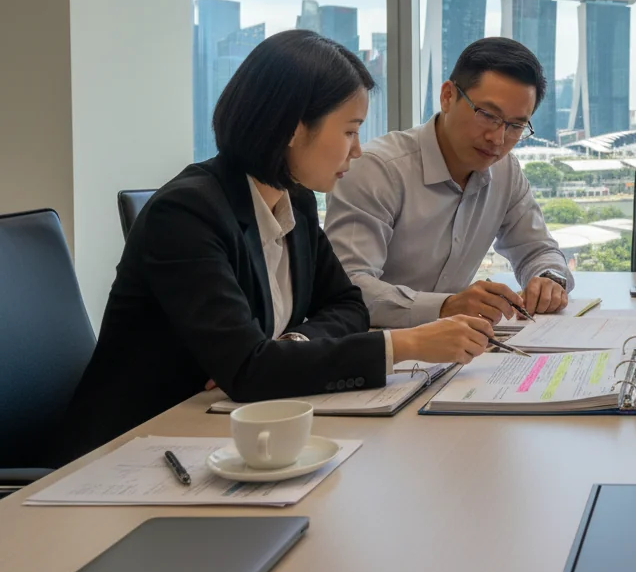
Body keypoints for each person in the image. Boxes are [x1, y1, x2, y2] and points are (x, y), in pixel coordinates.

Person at [61, 30, 496, 462]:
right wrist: (406, 345)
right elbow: (250, 371)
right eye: (349, 131)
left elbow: (348, 305)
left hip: (223, 435)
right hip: (133, 450)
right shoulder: (186, 214)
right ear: (292, 128)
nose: (358, 151)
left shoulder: (294, 198)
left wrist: (293, 344)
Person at [325, 37, 571, 328]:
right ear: (447, 96)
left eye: (516, 125)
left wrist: (548, 278)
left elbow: (538, 249)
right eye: (488, 115)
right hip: (377, 354)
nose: (498, 138)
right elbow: (349, 287)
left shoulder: (505, 171)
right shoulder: (377, 170)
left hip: (454, 351)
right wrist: (445, 306)